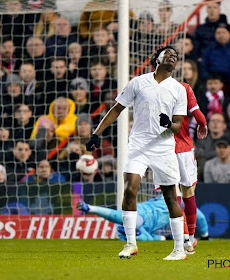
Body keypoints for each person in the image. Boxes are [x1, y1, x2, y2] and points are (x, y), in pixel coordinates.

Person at [86, 46, 187, 260]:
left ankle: (179, 249)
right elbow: (116, 108)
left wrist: (169, 123)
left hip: (163, 148)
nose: (173, 56)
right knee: (129, 191)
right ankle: (131, 243)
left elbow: (178, 125)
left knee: (170, 198)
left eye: (175, 56)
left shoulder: (178, 89)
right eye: (168, 53)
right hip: (138, 145)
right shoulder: (138, 82)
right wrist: (96, 134)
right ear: (156, 59)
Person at [76, 196, 209, 241]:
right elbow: (200, 217)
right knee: (143, 233)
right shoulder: (180, 202)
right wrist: (205, 235)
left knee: (147, 236)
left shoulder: (159, 198)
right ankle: (91, 209)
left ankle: (91, 208)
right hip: (145, 217)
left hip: (140, 213)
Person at [175, 82, 207, 254]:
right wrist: (203, 124)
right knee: (188, 193)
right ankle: (190, 238)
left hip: (161, 148)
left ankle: (185, 238)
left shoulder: (149, 86)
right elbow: (197, 114)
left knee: (172, 195)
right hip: (183, 148)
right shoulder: (184, 87)